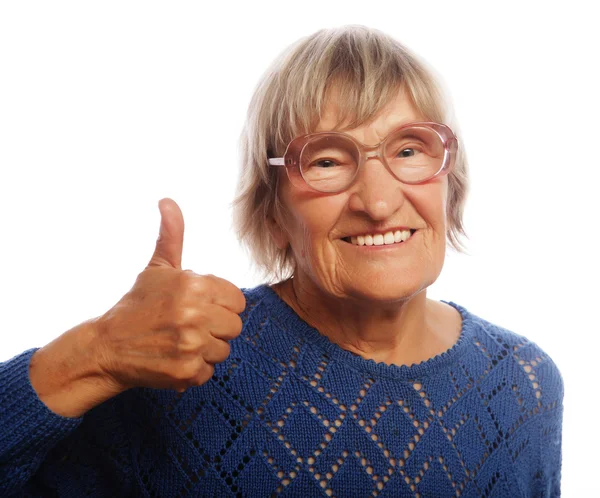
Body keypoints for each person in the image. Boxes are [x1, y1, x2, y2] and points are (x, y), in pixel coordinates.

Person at [0, 25, 563, 497]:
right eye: (324, 160)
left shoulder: (525, 385)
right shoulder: (177, 367)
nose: (378, 201)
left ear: (450, 183)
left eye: (409, 150)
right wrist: (95, 353)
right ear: (272, 210)